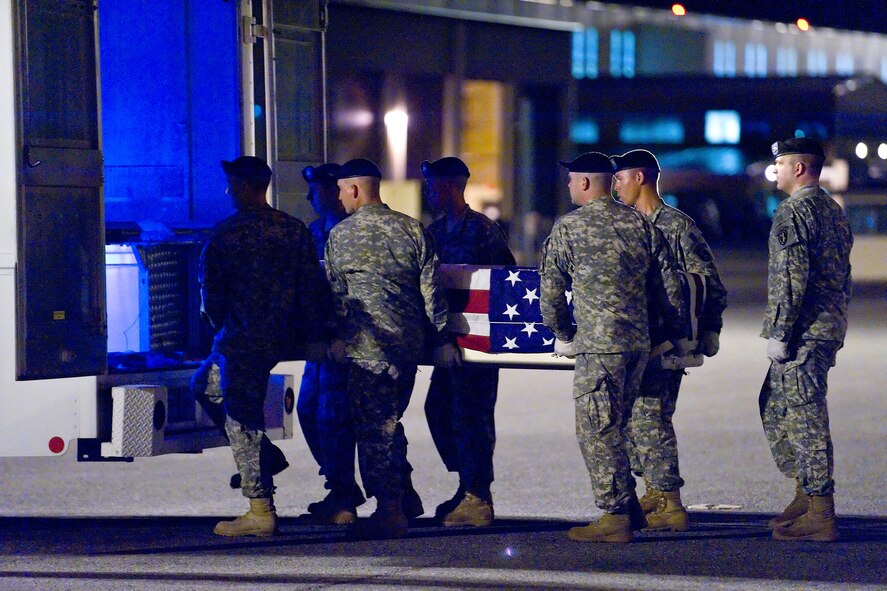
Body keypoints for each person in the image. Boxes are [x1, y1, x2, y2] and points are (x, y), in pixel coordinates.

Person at [539, 152, 687, 543]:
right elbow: (670, 288)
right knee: (618, 425)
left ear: (585, 183)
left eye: (572, 180)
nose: (569, 186)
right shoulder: (641, 223)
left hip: (599, 347)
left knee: (597, 430)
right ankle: (631, 507)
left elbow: (550, 291)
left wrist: (564, 333)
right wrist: (672, 333)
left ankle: (615, 515)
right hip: (639, 345)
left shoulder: (570, 227)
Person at [324, 158, 461, 538]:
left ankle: (390, 509)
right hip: (406, 350)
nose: (340, 198)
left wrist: (335, 337)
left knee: (374, 432)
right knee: (388, 424)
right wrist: (441, 340)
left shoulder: (341, 234)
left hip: (366, 351)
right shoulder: (412, 229)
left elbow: (336, 295)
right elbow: (432, 293)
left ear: (354, 189)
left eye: (341, 191)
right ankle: (404, 497)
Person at [195, 156, 328, 537]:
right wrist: (310, 334)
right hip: (280, 336)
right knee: (205, 386)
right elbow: (312, 288)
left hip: (241, 339)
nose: (227, 191)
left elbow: (211, 296)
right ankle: (266, 457)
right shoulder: (294, 229)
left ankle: (260, 509)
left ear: (242, 187)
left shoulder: (226, 233)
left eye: (231, 185)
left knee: (242, 418)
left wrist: (222, 328)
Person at [611, 149, 729, 532]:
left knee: (651, 418)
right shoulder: (626, 225)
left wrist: (709, 330)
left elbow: (707, 281)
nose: (615, 186)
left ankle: (670, 501)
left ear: (640, 178)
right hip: (633, 341)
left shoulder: (676, 226)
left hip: (667, 343)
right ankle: (654, 490)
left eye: (620, 178)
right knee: (630, 421)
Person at [759, 137, 852, 542]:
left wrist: (780, 333)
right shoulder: (832, 209)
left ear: (799, 168)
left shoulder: (794, 211)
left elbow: (790, 278)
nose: (775, 171)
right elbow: (842, 273)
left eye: (780, 164)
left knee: (805, 416)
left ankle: (820, 510)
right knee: (774, 403)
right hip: (826, 326)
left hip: (804, 331)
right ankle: (806, 490)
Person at [420, 157, 516, 527]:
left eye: (432, 185)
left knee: (472, 417)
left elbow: (504, 282)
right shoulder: (435, 232)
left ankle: (478, 495)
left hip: (476, 344)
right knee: (439, 410)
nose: (428, 192)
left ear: (449, 186)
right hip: (448, 341)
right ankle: (467, 483)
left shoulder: (483, 231)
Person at [297, 163, 365, 525]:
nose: (310, 196)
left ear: (336, 191)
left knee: (336, 416)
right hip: (321, 341)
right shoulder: (313, 232)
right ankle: (340, 486)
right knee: (309, 410)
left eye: (317, 189)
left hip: (348, 340)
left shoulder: (355, 232)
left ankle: (345, 496)